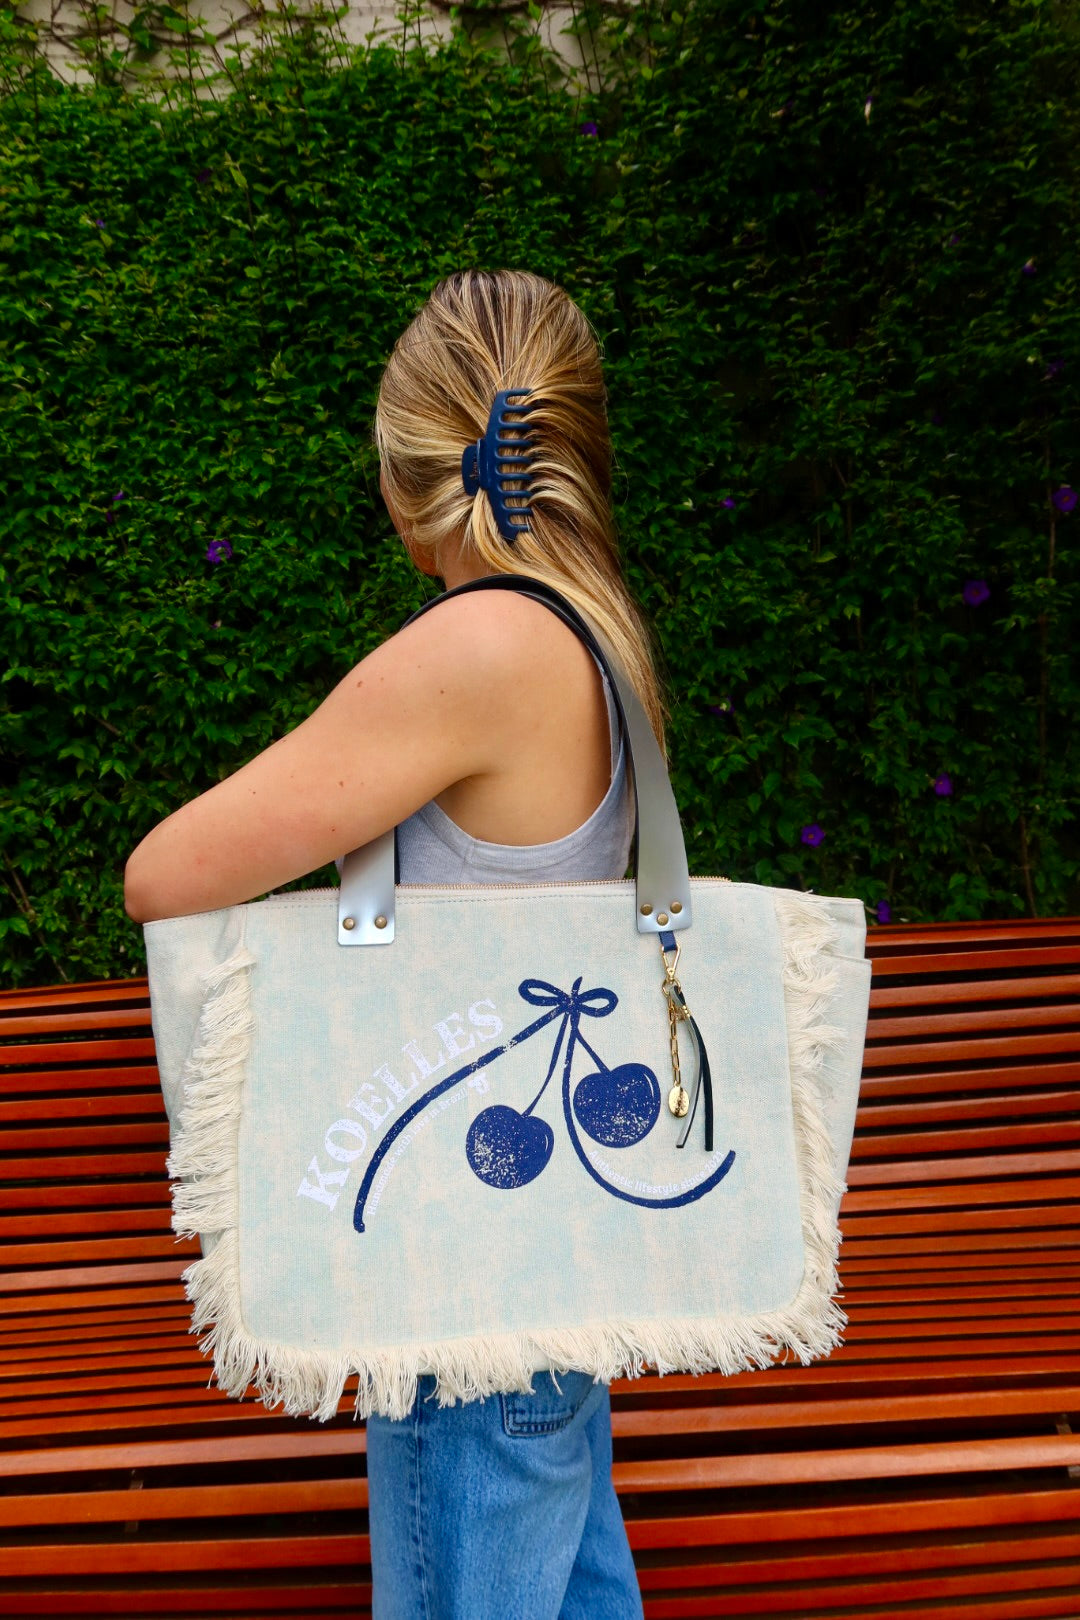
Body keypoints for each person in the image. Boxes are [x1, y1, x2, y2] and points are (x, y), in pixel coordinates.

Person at [125, 268, 660, 1619]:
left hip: (463, 1273)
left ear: (405, 474)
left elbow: (163, 874)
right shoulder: (592, 628)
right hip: (554, 1253)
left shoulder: (478, 647)